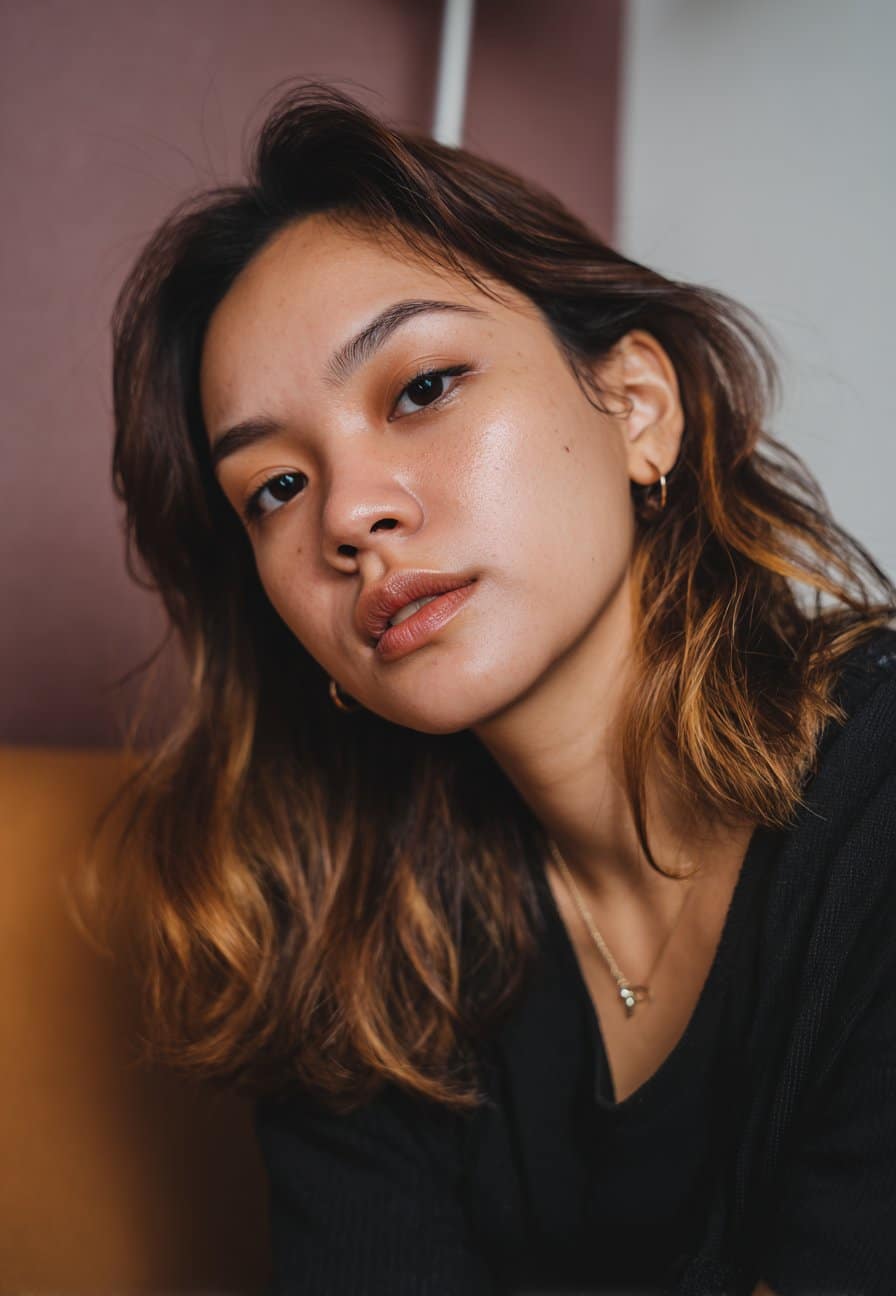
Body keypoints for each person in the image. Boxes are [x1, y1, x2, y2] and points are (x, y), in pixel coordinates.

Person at [95, 80, 896, 1295]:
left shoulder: (876, 814)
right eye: (273, 488)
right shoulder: (345, 937)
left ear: (635, 408)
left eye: (420, 389)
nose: (351, 516)